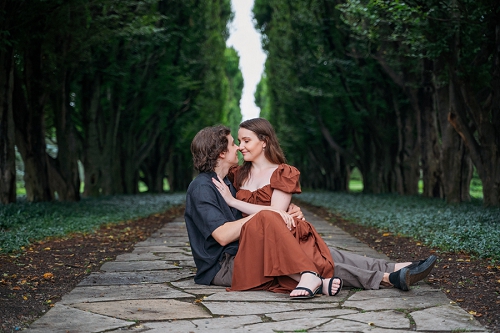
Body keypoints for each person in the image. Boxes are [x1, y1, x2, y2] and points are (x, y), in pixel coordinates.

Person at [185, 123, 436, 299]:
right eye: (233, 144)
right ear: (220, 152)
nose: (238, 147)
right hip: (224, 266)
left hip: (246, 250)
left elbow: (253, 202)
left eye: (243, 141)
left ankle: (395, 267)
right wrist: (269, 214)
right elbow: (222, 235)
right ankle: (383, 278)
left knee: (322, 251)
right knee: (314, 258)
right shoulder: (202, 188)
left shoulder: (227, 181)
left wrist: (287, 210)